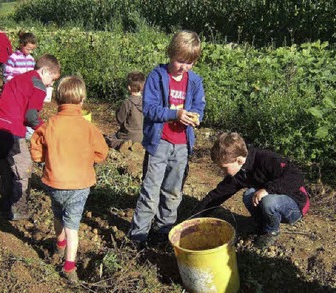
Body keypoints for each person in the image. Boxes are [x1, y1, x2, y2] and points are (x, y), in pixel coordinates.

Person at [127, 30, 205, 248]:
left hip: (182, 145)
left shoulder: (195, 81)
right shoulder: (157, 76)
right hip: (159, 143)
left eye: (189, 63)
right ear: (171, 54)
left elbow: (200, 105)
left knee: (172, 192)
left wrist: (196, 116)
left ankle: (163, 231)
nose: (183, 67)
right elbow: (149, 109)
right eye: (180, 61)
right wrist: (176, 113)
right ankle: (138, 235)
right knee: (150, 192)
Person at [30, 75, 109, 283]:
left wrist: (41, 158)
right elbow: (102, 153)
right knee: (72, 226)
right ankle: (69, 267)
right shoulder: (88, 127)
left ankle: (59, 245)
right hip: (79, 185)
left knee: (58, 215)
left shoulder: (49, 125)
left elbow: (36, 146)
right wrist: (89, 159)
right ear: (82, 101)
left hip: (55, 183)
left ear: (57, 99)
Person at [193, 132, 311, 249]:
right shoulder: (239, 173)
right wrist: (194, 220)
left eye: (224, 168)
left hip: (296, 205)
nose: (223, 172)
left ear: (239, 160)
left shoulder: (265, 158)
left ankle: (271, 232)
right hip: (272, 201)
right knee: (249, 195)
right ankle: (261, 226)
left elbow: (297, 176)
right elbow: (216, 196)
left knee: (268, 200)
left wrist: (267, 190)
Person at [0, 54, 61, 222]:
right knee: (24, 167)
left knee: (5, 168)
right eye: (52, 79)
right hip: (10, 130)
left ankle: (5, 204)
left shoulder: (20, 79)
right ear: (44, 70)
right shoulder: (38, 86)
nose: (51, 84)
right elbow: (31, 116)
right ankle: (19, 208)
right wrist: (45, 130)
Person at [4, 32, 52, 137]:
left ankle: (24, 130)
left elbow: (33, 76)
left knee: (26, 109)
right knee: (16, 110)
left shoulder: (31, 59)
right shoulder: (13, 58)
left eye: (32, 50)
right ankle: (12, 129)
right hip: (16, 90)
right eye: (28, 49)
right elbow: (7, 75)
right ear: (21, 45)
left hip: (27, 91)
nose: (29, 51)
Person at [105, 71, 146, 150]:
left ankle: (121, 144)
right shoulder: (146, 101)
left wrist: (118, 111)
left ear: (129, 87)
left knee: (109, 138)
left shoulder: (127, 102)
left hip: (127, 136)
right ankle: (137, 145)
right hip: (142, 136)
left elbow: (120, 119)